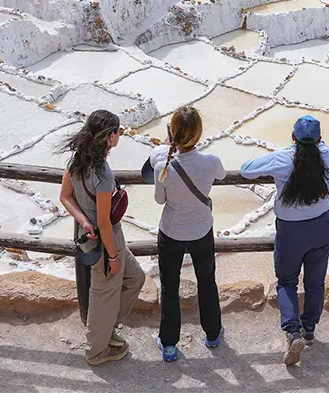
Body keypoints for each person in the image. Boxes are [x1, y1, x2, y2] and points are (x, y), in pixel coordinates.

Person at [240, 115, 329, 366]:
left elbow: (245, 169)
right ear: (320, 139)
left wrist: (290, 149)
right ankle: (309, 329)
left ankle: (293, 332)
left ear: (293, 137)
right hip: (321, 226)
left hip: (291, 231)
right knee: (315, 283)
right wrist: (321, 145)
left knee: (286, 281)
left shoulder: (283, 158)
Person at [57, 110, 146, 365]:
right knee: (102, 292)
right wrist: (114, 256)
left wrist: (83, 221)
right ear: (109, 137)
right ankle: (96, 351)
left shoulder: (76, 162)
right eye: (118, 131)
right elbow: (105, 221)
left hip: (91, 237)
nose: (120, 134)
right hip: (106, 242)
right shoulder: (103, 175)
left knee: (135, 277)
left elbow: (65, 196)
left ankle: (105, 329)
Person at [150, 106, 225, 362]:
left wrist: (164, 150)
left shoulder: (164, 166)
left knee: (170, 287)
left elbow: (160, 200)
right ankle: (213, 334)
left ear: (172, 134)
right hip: (202, 229)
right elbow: (222, 174)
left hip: (172, 231)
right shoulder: (211, 162)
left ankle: (169, 344)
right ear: (198, 133)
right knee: (207, 280)